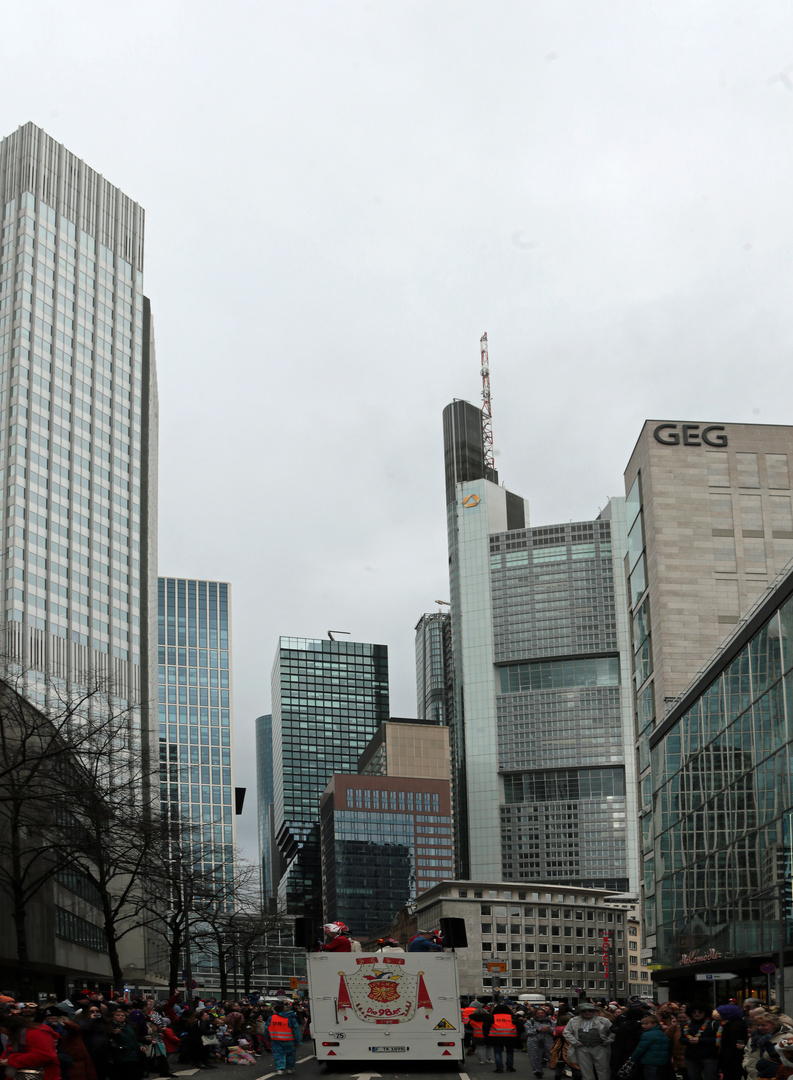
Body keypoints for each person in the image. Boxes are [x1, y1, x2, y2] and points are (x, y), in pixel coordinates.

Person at [0, 1011, 61, 1080]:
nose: (1, 1032)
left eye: (1, 1029)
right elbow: (10, 1051)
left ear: (10, 1026)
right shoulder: (18, 1034)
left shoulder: (36, 1032)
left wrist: (11, 1061)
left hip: (41, 1075)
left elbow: (43, 1055)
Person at [564, 1002, 615, 1080]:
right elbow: (566, 1032)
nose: (587, 1013)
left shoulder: (604, 1020)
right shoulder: (573, 1021)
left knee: (603, 1069)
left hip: (599, 1047)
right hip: (582, 1048)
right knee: (585, 1069)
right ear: (581, 1012)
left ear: (594, 1012)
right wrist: (575, 1042)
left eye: (590, 1011)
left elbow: (613, 1032)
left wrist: (608, 1041)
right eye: (584, 1011)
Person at [680, 1003, 718, 1080]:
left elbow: (717, 1040)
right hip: (691, 1057)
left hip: (709, 1056)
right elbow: (681, 1039)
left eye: (700, 1012)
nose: (697, 1014)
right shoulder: (686, 1025)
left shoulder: (713, 1024)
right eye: (694, 1012)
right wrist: (689, 1041)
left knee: (710, 1077)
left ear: (705, 1012)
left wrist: (700, 1040)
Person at [484, 1004, 524, 1074]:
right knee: (510, 1052)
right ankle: (510, 1067)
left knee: (497, 1053)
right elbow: (521, 1027)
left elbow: (485, 1027)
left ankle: (499, 1068)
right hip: (510, 1037)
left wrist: (487, 1036)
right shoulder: (512, 1017)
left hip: (496, 1037)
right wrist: (518, 1034)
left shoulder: (492, 1017)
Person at [629, 1014, 672, 1080]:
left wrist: (633, 1058)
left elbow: (641, 1048)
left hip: (649, 1061)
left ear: (654, 1024)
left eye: (646, 1024)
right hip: (661, 1061)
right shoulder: (662, 1033)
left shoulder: (647, 1034)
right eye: (642, 1024)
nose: (643, 1026)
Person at [712, 1004, 747, 1080]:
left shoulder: (731, 1025)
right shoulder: (740, 1023)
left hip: (732, 1057)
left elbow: (730, 1043)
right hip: (737, 1056)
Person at [265, 1002, 301, 1076]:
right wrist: (298, 1040)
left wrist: (268, 1038)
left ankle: (280, 1068)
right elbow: (295, 1030)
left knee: (278, 1054)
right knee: (290, 1054)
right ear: (284, 1009)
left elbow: (266, 1029)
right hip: (289, 1040)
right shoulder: (290, 1017)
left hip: (276, 1040)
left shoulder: (271, 1018)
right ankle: (289, 1069)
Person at [611, 1008, 646, 1080]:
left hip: (623, 1053)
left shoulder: (623, 1026)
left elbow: (618, 1042)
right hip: (638, 1053)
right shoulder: (643, 1027)